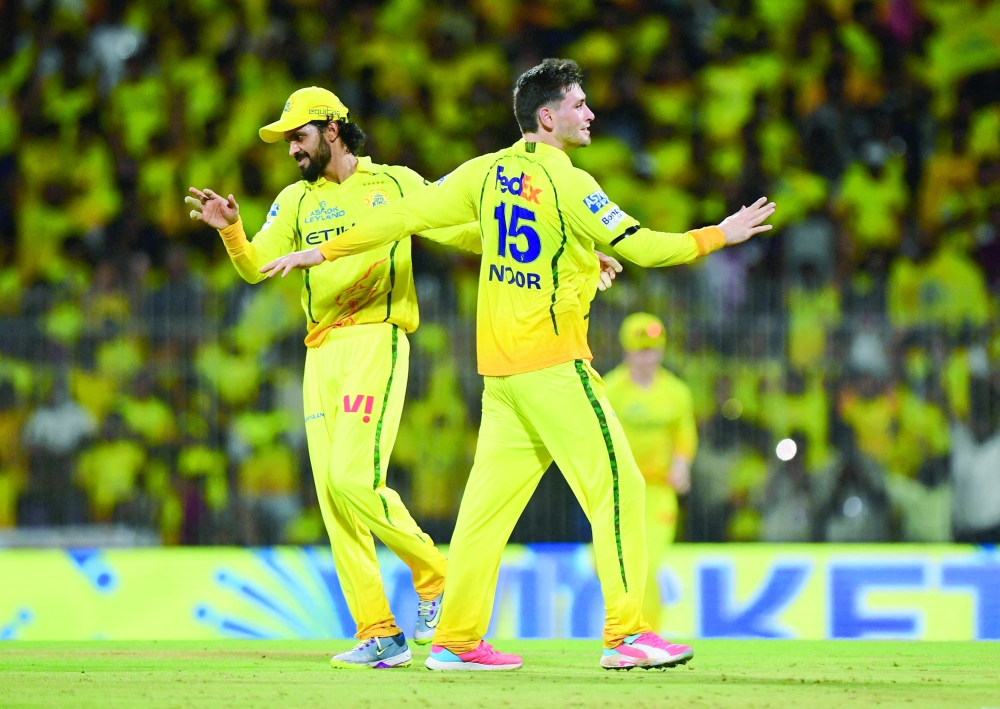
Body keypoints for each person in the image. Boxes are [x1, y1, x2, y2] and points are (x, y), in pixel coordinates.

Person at [262, 59, 775, 671]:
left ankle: (455, 640)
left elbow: (404, 215)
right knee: (620, 486)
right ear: (548, 117)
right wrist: (720, 233)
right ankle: (626, 635)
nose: (590, 113)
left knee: (484, 515)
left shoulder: (484, 172)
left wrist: (322, 250)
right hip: (553, 365)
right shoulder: (571, 182)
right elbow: (644, 247)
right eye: (579, 104)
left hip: (500, 378)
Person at [184, 87, 478, 670]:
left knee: (352, 477)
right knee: (334, 498)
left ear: (333, 130)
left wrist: (548, 251)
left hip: (375, 338)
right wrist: (232, 232)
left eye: (299, 136)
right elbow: (256, 267)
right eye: (288, 141)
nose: (292, 149)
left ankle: (436, 574)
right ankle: (380, 633)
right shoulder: (294, 200)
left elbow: (459, 230)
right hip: (320, 352)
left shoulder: (395, 183)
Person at [603, 313, 697, 634]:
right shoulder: (610, 390)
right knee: (617, 564)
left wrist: (682, 465)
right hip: (620, 491)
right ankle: (629, 630)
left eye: (653, 350)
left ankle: (646, 633)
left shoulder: (676, 391)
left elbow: (684, 436)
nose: (648, 358)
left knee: (648, 563)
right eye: (641, 350)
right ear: (626, 351)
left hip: (658, 491)